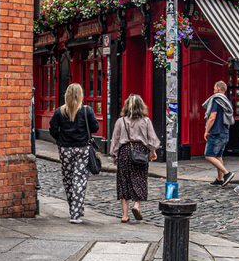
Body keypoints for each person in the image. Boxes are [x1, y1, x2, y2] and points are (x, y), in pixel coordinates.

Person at [48, 82, 99, 224]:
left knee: (68, 178)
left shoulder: (60, 111)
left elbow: (52, 129)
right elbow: (95, 127)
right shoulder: (86, 111)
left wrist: (60, 138)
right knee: (80, 180)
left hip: (65, 149)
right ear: (80, 95)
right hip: (82, 148)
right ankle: (76, 213)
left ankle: (74, 208)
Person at [108, 93, 160, 223]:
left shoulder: (121, 121)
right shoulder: (146, 121)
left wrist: (114, 155)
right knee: (140, 179)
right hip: (140, 152)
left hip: (124, 152)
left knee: (123, 181)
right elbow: (152, 139)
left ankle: (124, 215)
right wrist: (153, 151)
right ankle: (136, 205)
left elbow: (115, 140)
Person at [202, 81, 235, 186]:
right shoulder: (227, 101)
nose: (213, 90)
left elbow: (212, 117)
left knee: (208, 155)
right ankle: (220, 179)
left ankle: (226, 173)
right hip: (225, 131)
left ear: (218, 89)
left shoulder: (216, 100)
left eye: (214, 88)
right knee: (218, 156)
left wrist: (207, 130)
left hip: (216, 131)